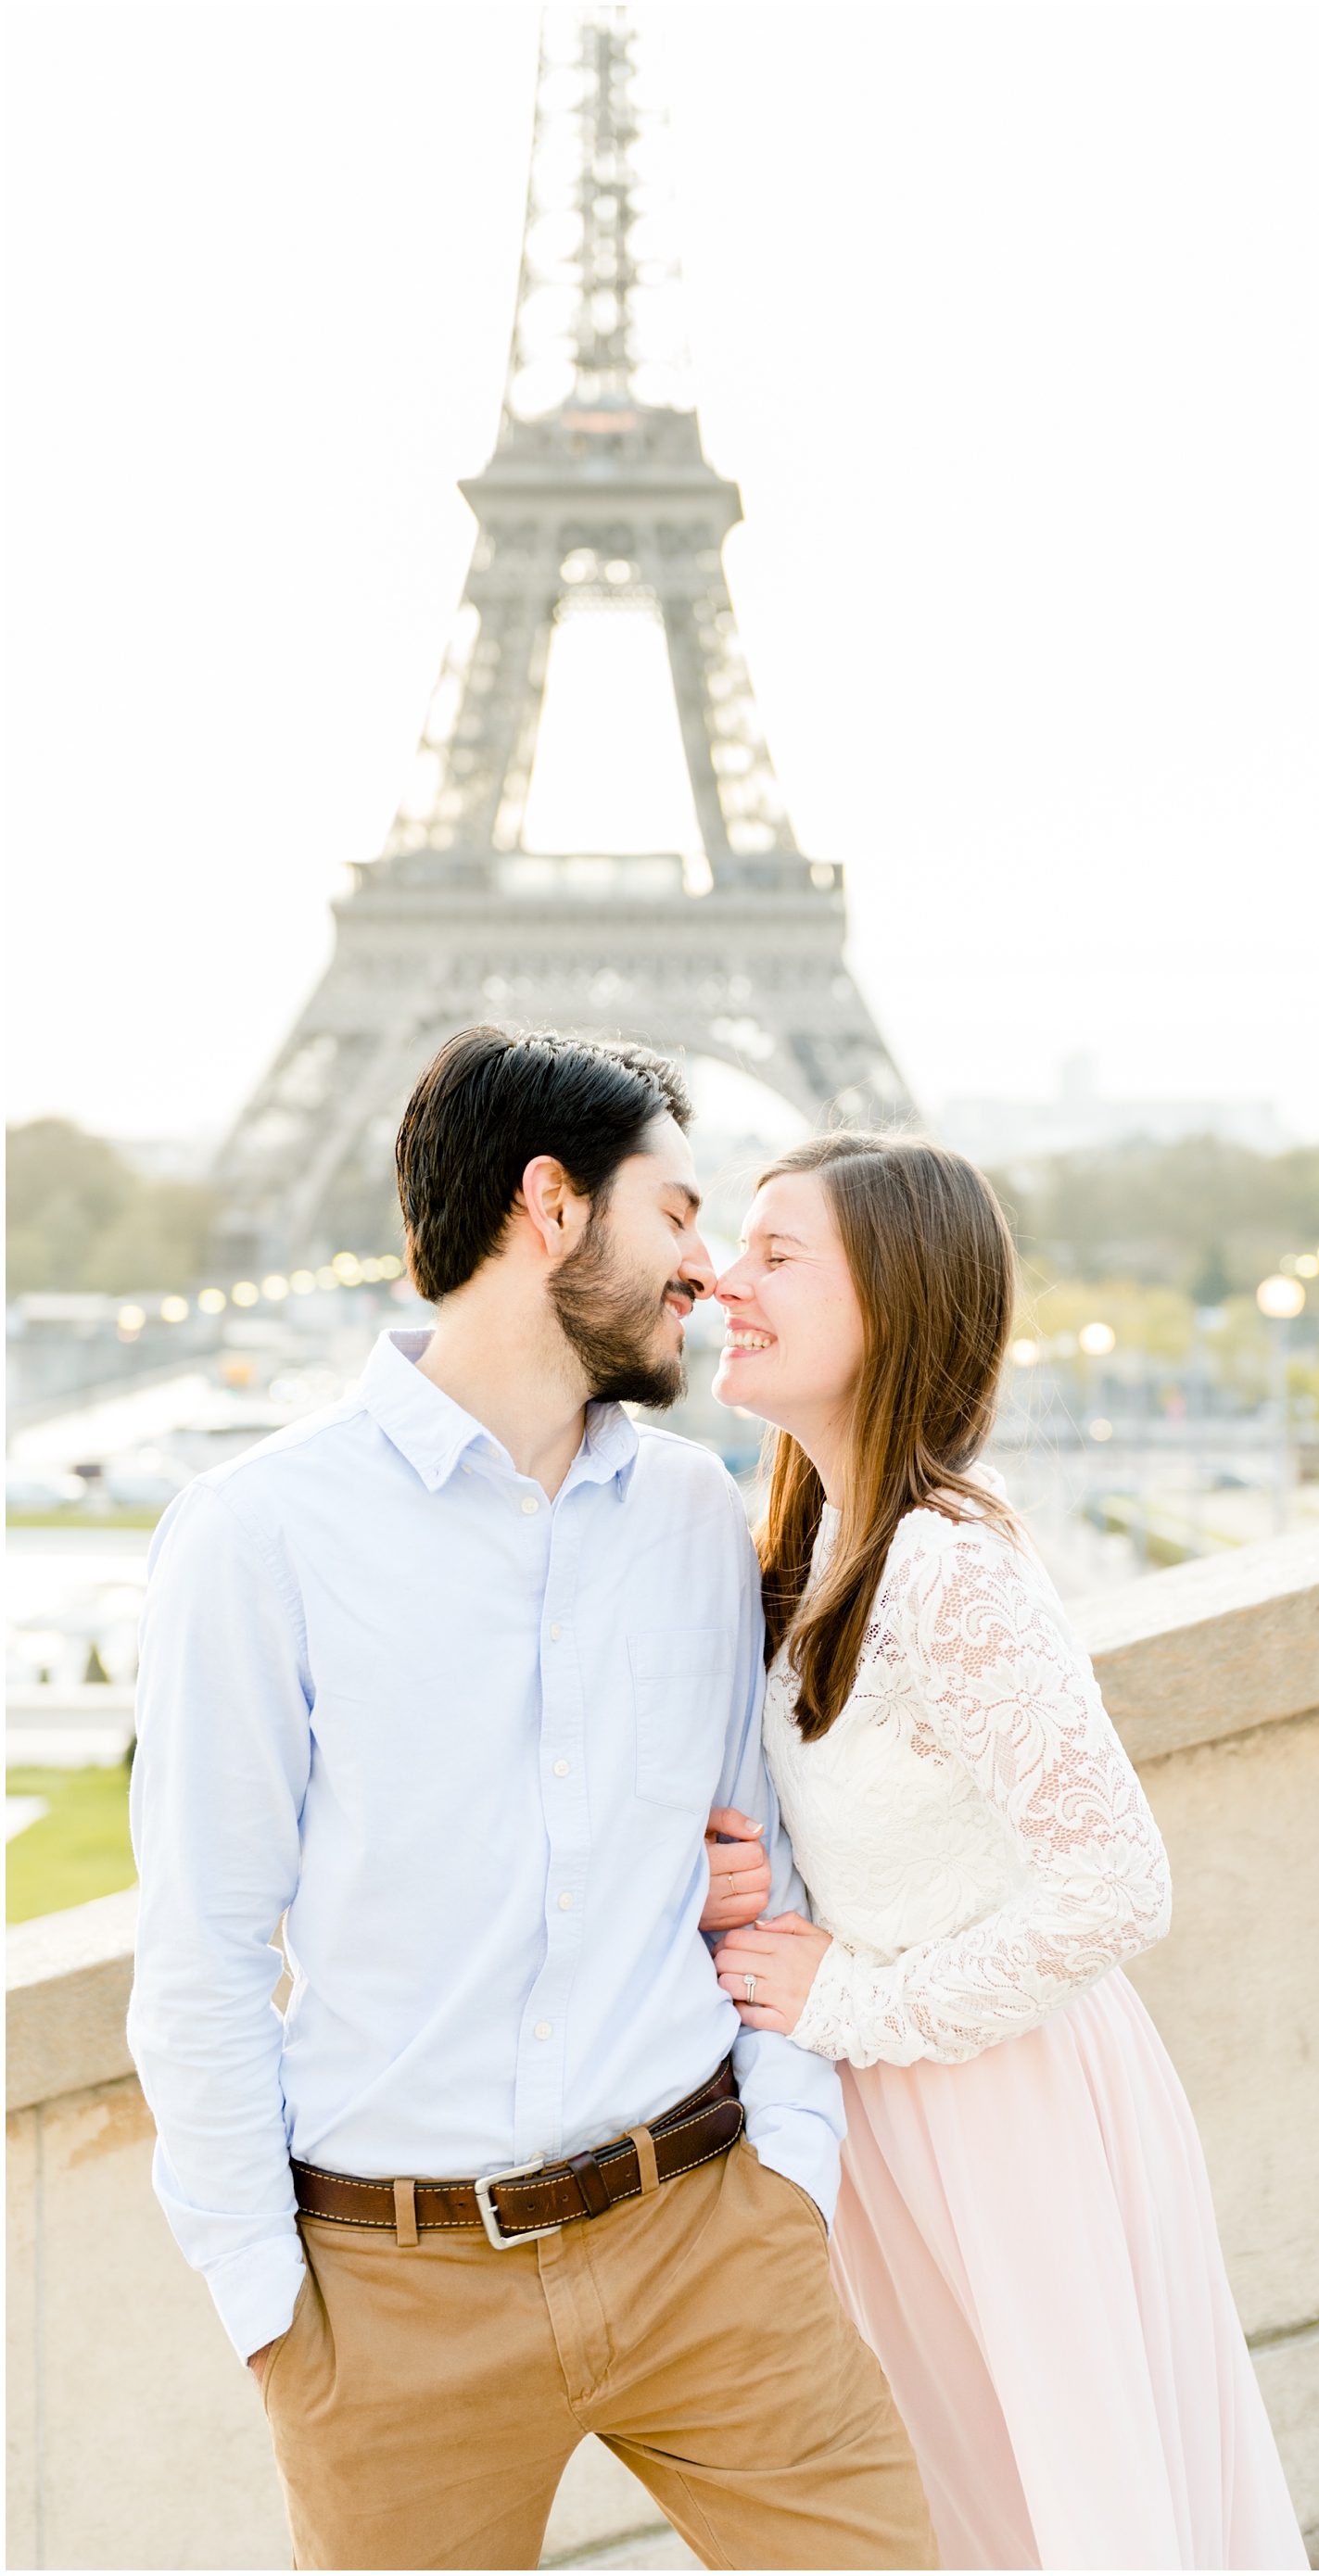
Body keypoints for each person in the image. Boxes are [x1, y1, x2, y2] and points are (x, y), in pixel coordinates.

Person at [127, 1029, 937, 2574]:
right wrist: (274, 2315)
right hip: (394, 2295)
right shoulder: (258, 1536)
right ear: (551, 1208)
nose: (703, 1266)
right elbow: (204, 1951)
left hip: (711, 2235)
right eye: (678, 1212)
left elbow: (765, 1867)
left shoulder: (699, 1518)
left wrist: (790, 2178)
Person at [704, 1131, 1309, 2572]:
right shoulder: (819, 1547)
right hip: (903, 2121)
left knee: (1056, 2517)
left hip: (1006, 2114)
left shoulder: (944, 1569)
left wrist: (850, 1999)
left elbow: (1117, 1882)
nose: (729, 1279)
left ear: (895, 1302)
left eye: (779, 1255)